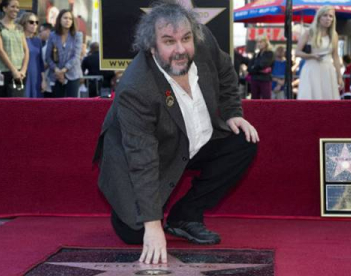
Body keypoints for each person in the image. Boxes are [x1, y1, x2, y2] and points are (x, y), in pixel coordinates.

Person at [93, 1, 259, 265]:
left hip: (193, 138)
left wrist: (232, 112)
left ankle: (186, 214)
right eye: (169, 41)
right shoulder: (136, 88)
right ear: (152, 46)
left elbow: (226, 71)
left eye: (185, 38)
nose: (181, 49)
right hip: (147, 153)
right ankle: (139, 211)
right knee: (134, 233)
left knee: (244, 141)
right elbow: (142, 157)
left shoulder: (202, 43)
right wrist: (152, 225)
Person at [295, 6, 343, 100]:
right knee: (310, 99)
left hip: (328, 70)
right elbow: (297, 52)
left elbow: (336, 57)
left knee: (328, 100)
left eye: (331, 16)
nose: (328, 18)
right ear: (319, 17)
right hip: (311, 69)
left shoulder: (334, 35)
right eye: (325, 15)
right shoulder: (309, 32)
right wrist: (311, 56)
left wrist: (339, 76)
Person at [0, 0, 29, 97]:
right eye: (13, 7)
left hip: (19, 74)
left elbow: (26, 50)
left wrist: (23, 70)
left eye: (17, 7)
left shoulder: (19, 28)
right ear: (4, 8)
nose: (16, 10)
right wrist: (14, 70)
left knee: (17, 104)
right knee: (0, 105)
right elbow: (0, 51)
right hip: (2, 72)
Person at [45, 9, 83, 97]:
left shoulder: (78, 35)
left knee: (72, 104)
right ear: (59, 20)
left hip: (73, 74)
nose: (68, 20)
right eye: (65, 18)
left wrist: (63, 70)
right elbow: (48, 57)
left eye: (70, 19)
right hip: (56, 75)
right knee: (58, 105)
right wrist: (57, 70)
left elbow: (76, 56)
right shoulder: (52, 35)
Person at [18, 12, 45, 98]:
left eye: (36, 22)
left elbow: (41, 62)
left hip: (36, 76)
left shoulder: (38, 41)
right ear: (24, 23)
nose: (34, 24)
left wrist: (43, 80)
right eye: (31, 22)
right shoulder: (18, 39)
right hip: (23, 74)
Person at [39, 23, 53, 97]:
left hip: (50, 82)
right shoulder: (45, 46)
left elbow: (46, 64)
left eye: (41, 31)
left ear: (47, 31)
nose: (40, 34)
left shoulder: (49, 46)